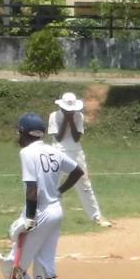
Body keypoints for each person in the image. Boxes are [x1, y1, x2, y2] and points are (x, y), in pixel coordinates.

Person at [10, 113, 86, 279]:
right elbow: (78, 171)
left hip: (40, 212)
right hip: (56, 211)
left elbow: (31, 188)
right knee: (44, 267)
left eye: (19, 132)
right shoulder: (54, 151)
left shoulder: (27, 153)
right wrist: (59, 191)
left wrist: (29, 218)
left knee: (12, 267)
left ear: (24, 133)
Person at [47, 91, 111, 227]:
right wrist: (66, 120)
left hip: (76, 152)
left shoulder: (79, 116)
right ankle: (47, 216)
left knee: (84, 184)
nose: (70, 112)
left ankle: (96, 216)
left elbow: (76, 138)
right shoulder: (54, 116)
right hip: (58, 151)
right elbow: (59, 137)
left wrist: (71, 121)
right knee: (53, 184)